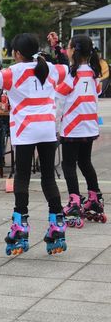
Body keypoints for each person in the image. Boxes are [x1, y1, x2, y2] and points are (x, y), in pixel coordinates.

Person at [0, 33, 68, 256]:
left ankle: (20, 226)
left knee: (22, 177)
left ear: (17, 54)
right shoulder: (49, 68)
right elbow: (67, 67)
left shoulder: (15, 72)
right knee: (48, 178)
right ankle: (57, 223)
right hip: (47, 128)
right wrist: (57, 47)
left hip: (25, 130)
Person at [56, 34, 106, 227]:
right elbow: (97, 92)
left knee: (68, 165)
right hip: (89, 126)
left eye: (67, 48)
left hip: (72, 128)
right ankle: (94, 198)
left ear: (73, 51)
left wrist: (56, 125)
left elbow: (59, 99)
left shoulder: (72, 75)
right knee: (85, 162)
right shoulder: (94, 74)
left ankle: (74, 202)